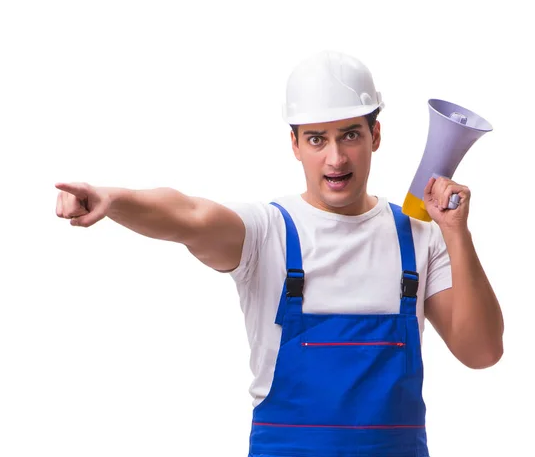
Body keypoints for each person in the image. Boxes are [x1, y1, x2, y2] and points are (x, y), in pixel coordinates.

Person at [55, 51, 504, 457]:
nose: (335, 159)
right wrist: (114, 199)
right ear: (294, 144)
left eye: (349, 135)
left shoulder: (420, 236)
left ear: (376, 135)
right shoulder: (267, 233)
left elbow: (481, 351)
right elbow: (188, 214)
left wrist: (456, 234)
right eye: (316, 139)